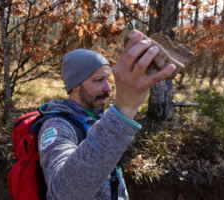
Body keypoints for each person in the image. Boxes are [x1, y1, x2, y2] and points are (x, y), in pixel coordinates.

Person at [38, 30, 176, 200]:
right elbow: (63, 194)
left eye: (107, 80)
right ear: (74, 86)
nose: (108, 88)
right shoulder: (57, 126)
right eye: (98, 80)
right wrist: (124, 109)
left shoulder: (97, 117)